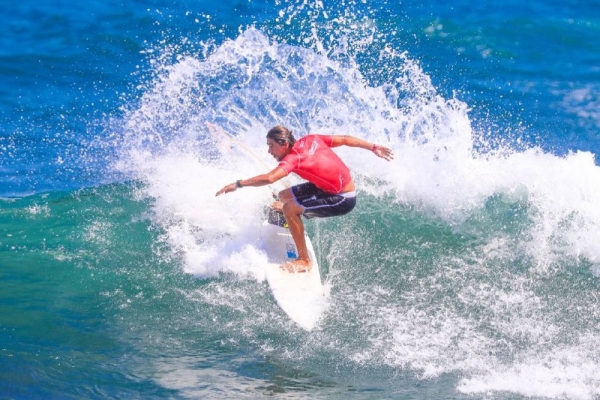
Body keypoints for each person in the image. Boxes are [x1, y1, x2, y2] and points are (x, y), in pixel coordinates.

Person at [215, 125, 394, 272]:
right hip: (328, 187)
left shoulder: (293, 159)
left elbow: (270, 178)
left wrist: (238, 184)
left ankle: (304, 260)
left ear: (284, 143)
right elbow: (345, 138)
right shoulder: (311, 139)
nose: (269, 151)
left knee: (289, 207)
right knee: (283, 196)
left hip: (342, 198)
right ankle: (289, 222)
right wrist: (373, 147)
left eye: (271, 146)